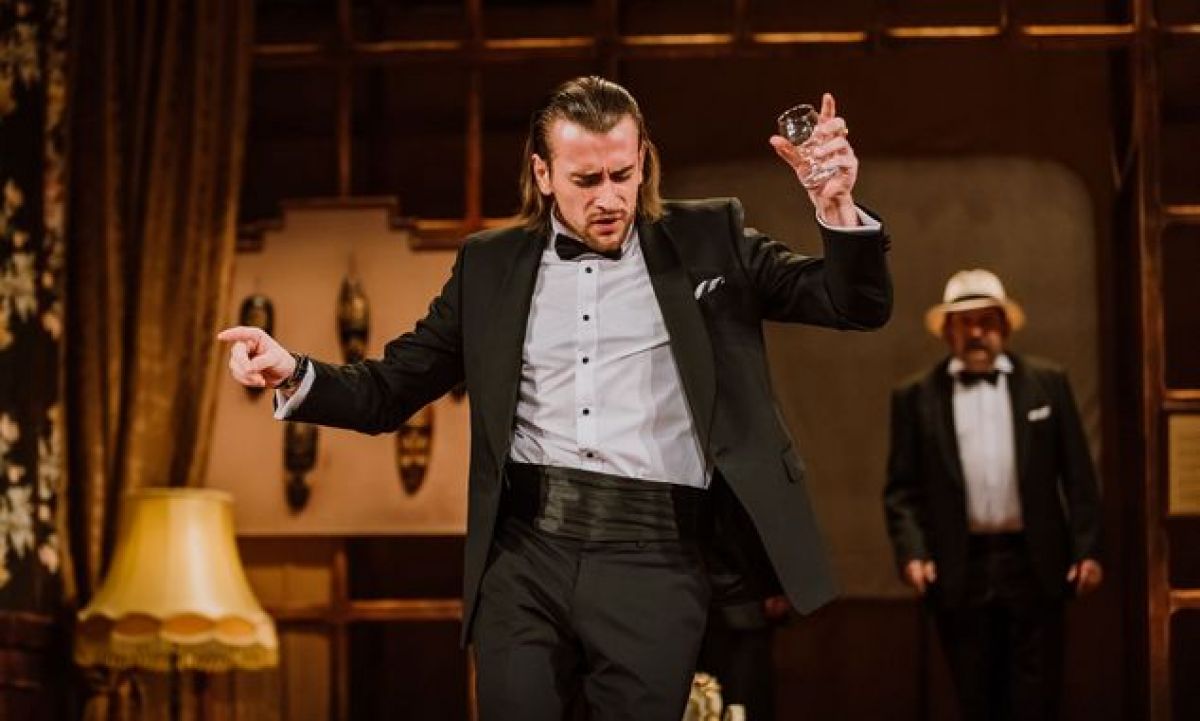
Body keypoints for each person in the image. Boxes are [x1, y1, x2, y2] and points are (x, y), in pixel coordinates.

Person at [220, 76, 892, 721]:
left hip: (655, 554)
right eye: (586, 179)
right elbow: (390, 389)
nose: (610, 197)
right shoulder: (489, 265)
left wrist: (835, 207)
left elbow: (852, 304)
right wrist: (292, 371)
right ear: (543, 173)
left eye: (622, 174)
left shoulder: (709, 238)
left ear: (642, 160)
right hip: (525, 553)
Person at [883, 269, 1103, 721]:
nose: (976, 332)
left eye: (986, 321)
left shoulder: (1048, 382)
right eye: (965, 322)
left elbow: (1078, 475)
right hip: (960, 565)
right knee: (975, 695)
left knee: (1037, 697)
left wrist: (1088, 550)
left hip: (1034, 561)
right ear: (947, 331)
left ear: (1004, 325)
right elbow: (902, 489)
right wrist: (913, 552)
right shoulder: (915, 396)